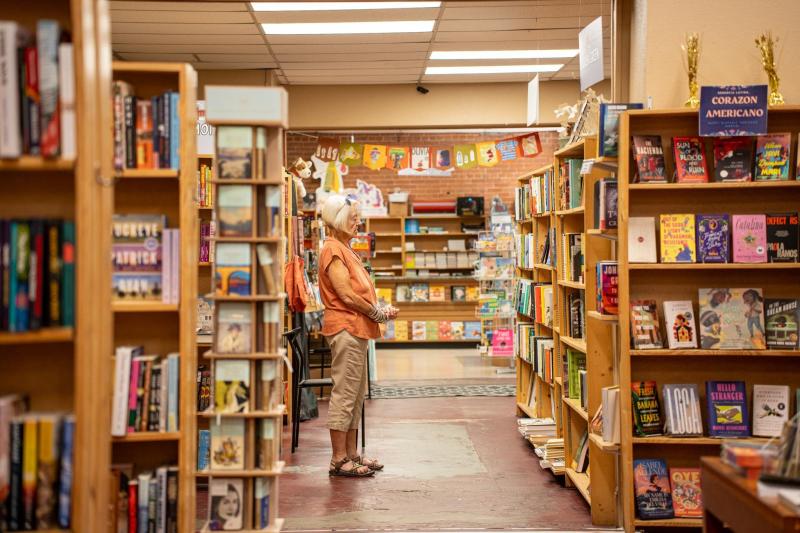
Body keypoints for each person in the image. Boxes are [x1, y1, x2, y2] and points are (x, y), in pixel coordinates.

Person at [318, 194, 398, 477]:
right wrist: (377, 313)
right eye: (353, 218)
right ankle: (338, 459)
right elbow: (346, 295)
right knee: (345, 394)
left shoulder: (345, 248)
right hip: (346, 328)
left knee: (355, 394)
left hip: (356, 328)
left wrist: (377, 310)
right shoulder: (333, 249)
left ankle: (351, 454)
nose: (358, 222)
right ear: (338, 219)